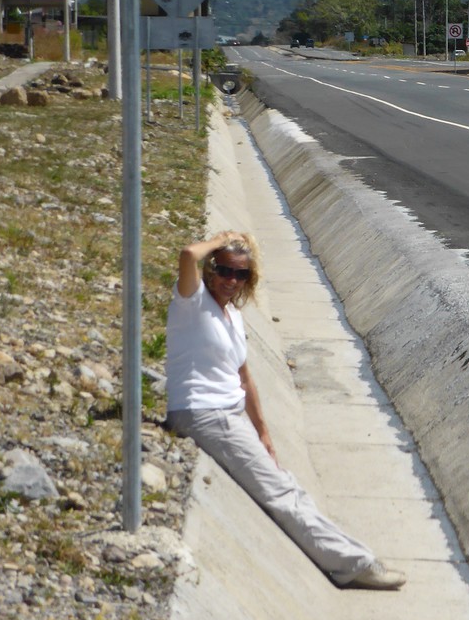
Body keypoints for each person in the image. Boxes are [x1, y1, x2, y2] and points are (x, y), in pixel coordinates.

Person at [164, 229, 405, 590]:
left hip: (227, 415)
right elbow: (186, 253)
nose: (231, 280)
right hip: (202, 412)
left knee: (287, 484)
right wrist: (218, 241)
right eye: (225, 270)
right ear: (212, 270)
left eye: (241, 274)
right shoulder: (192, 301)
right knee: (278, 491)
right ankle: (354, 565)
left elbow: (245, 380)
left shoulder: (233, 318)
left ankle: (351, 555)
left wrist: (263, 433)